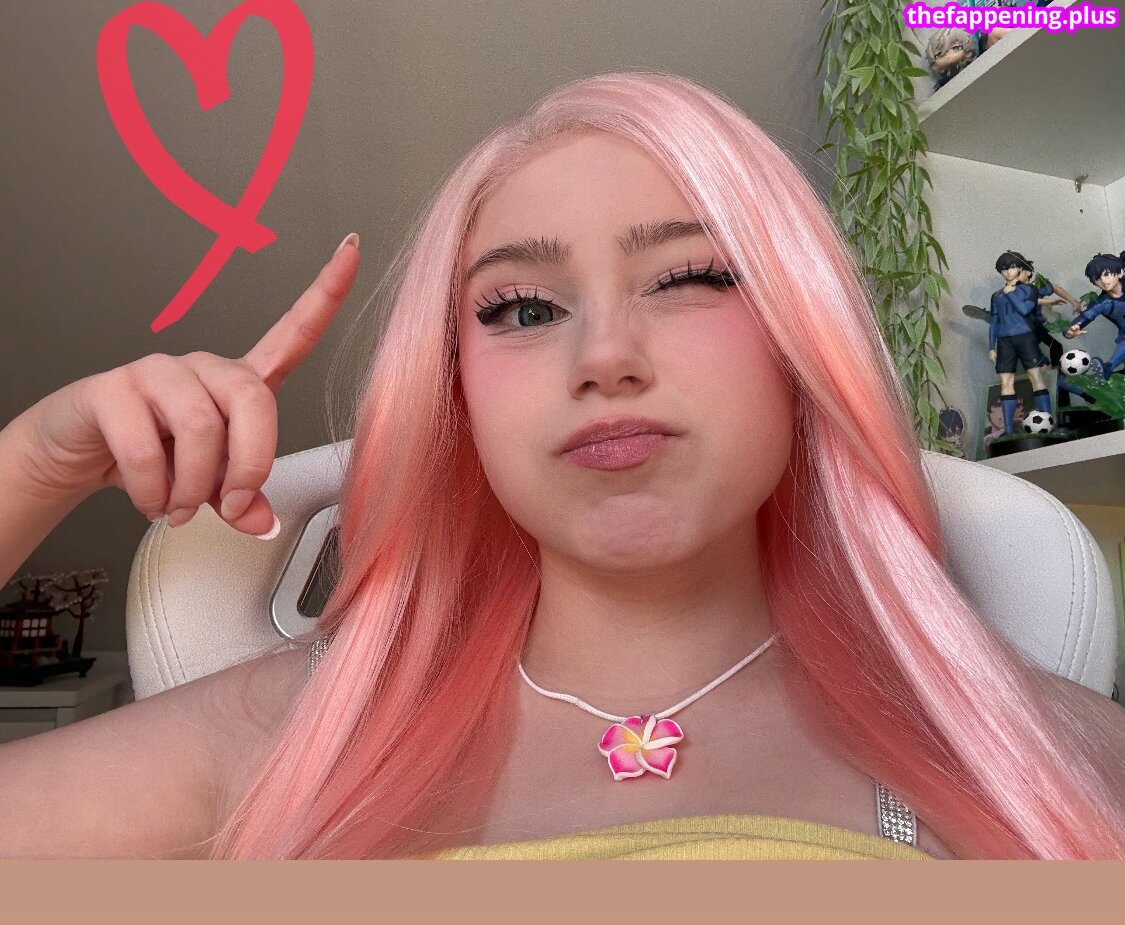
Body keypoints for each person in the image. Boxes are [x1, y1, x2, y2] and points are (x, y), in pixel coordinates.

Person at [0, 72, 1122, 861]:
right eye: (523, 308)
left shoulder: (1023, 746)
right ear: (455, 392)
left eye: (688, 278)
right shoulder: (299, 732)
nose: (604, 357)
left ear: (800, 342)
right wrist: (34, 463)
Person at [988, 251, 1054, 436]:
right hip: (1004, 341)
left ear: (1019, 268)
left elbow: (1025, 310)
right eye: (1003, 269)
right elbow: (994, 322)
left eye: (1011, 267)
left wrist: (1011, 294)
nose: (1007, 272)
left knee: (1035, 377)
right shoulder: (996, 296)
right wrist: (991, 347)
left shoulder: (1029, 290)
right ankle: (1008, 432)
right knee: (1006, 381)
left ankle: (1048, 423)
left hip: (1025, 337)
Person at [1065, 253, 1125, 379]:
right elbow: (1080, 321)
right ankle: (1107, 369)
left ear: (1120, 272)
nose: (1103, 281)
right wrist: (1070, 332)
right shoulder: (1101, 304)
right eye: (1097, 278)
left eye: (1106, 274)